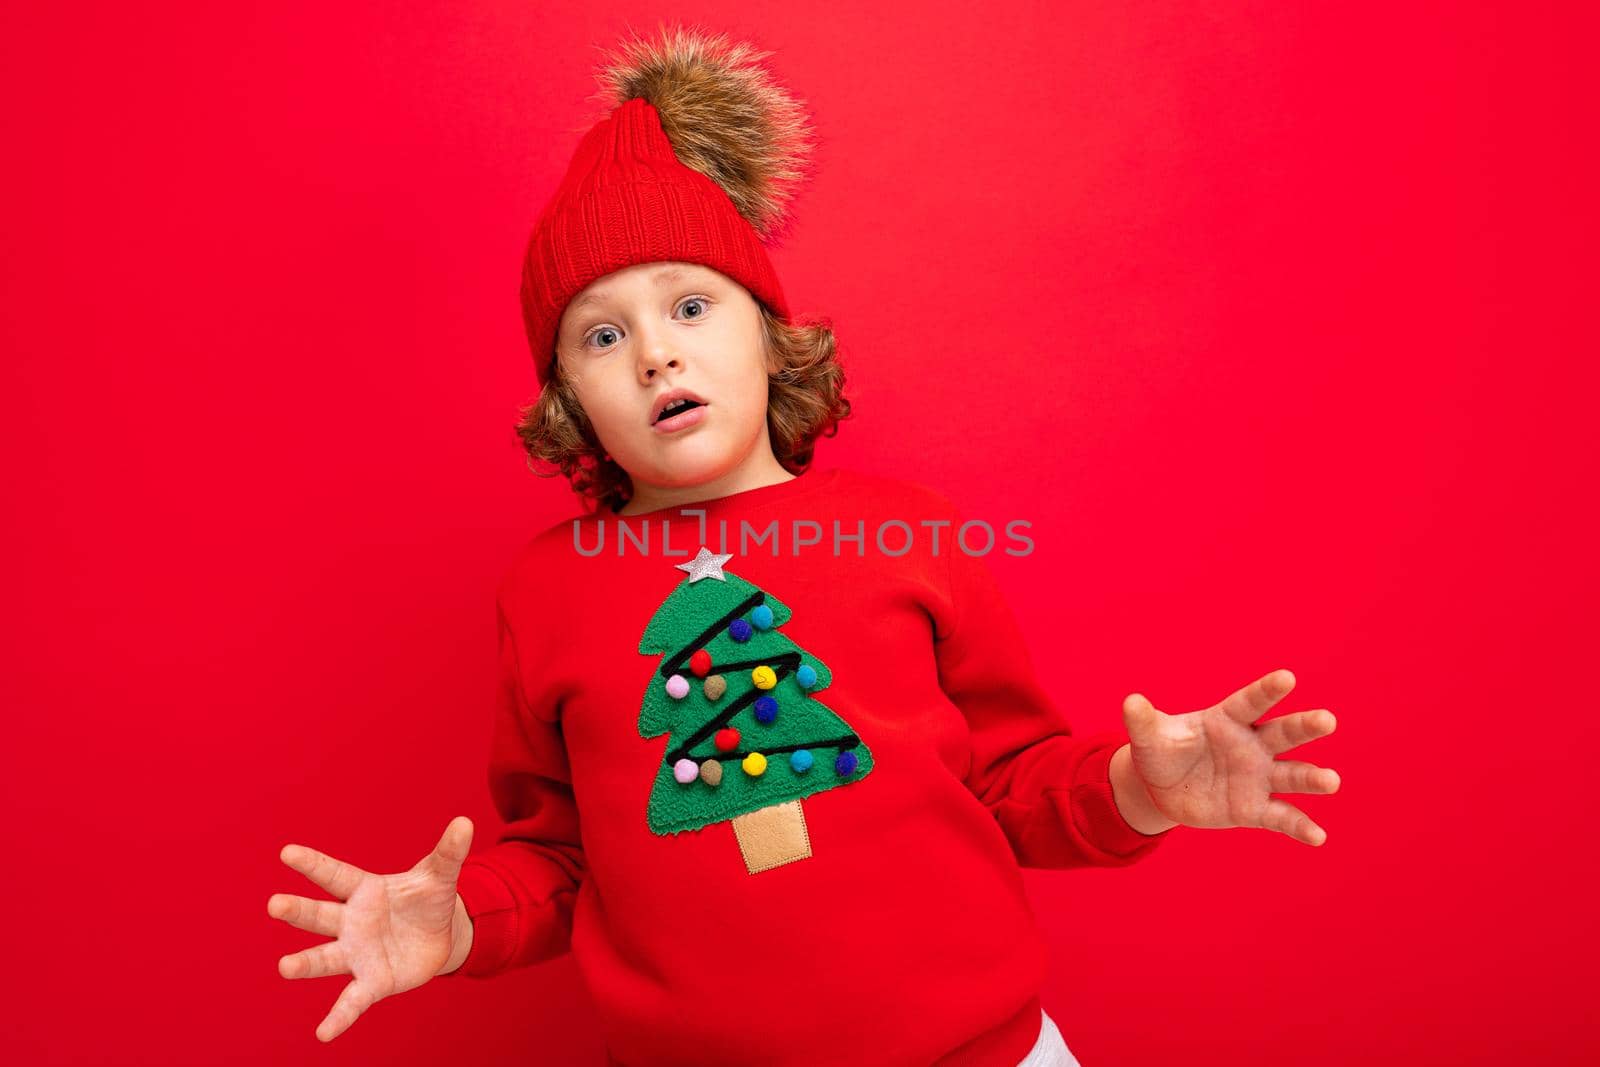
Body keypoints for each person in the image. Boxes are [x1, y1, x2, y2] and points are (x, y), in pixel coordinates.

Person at [266, 22, 1341, 1066]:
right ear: (568, 397)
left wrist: (1139, 788)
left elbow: (1013, 781)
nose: (653, 354)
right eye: (601, 334)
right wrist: (461, 926)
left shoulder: (907, 530)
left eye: (689, 304)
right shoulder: (545, 588)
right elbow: (557, 854)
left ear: (769, 335)